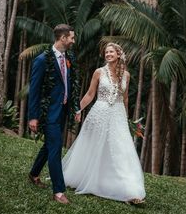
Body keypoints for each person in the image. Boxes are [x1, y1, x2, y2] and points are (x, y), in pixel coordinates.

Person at [62, 42, 146, 203]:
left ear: (119, 54)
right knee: (92, 145)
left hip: (118, 114)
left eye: (111, 52)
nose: (108, 54)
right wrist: (77, 109)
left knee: (121, 149)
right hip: (99, 112)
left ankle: (129, 190)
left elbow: (125, 97)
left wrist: (126, 118)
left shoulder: (126, 75)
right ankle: (83, 177)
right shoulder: (98, 72)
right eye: (106, 52)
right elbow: (90, 94)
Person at [28, 24, 79, 205]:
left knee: (49, 146)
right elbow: (34, 90)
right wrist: (33, 117)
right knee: (56, 147)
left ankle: (34, 173)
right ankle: (58, 191)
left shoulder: (69, 58)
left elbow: (70, 85)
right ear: (62, 38)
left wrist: (74, 108)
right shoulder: (42, 60)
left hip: (63, 111)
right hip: (48, 113)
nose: (73, 40)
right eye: (71, 37)